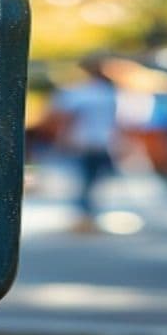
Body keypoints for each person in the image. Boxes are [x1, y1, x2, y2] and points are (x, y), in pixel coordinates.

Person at [47, 53, 122, 232]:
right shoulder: (108, 92)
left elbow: (65, 119)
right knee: (93, 180)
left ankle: (85, 217)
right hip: (103, 141)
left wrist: (61, 139)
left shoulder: (79, 92)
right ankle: (88, 216)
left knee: (85, 181)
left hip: (83, 142)